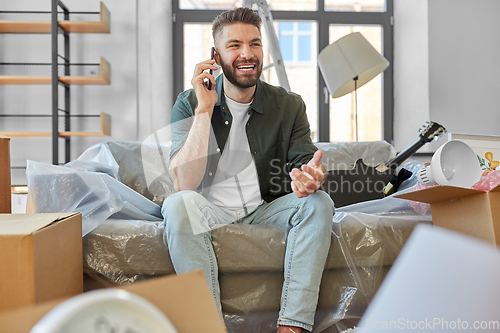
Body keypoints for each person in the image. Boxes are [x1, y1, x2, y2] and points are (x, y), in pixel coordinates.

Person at [164, 7, 334, 333]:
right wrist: (204, 110)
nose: (247, 54)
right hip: (209, 210)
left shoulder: (289, 104)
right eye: (235, 45)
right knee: (176, 204)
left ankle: (292, 327)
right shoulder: (189, 102)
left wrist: (310, 179)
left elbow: (305, 164)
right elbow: (184, 184)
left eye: (255, 44)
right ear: (215, 56)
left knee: (319, 204)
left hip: (265, 209)